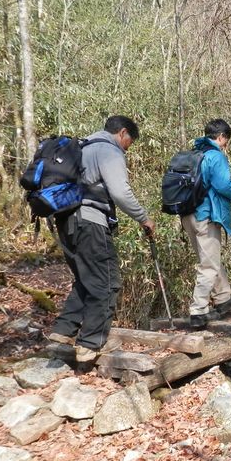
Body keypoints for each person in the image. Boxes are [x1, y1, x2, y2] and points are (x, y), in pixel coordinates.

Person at [48, 115, 156, 363]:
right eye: (130, 141)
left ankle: (62, 331)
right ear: (123, 133)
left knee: (86, 279)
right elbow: (120, 191)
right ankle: (90, 344)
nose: (128, 147)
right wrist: (144, 218)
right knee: (108, 281)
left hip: (66, 221)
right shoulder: (109, 151)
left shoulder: (82, 147)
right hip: (90, 221)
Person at [182, 119, 231, 330]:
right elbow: (223, 184)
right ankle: (198, 311)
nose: (225, 146)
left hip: (188, 215)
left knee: (210, 258)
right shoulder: (215, 156)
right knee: (208, 264)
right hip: (206, 215)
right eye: (226, 141)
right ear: (221, 137)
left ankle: (222, 298)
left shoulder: (193, 155)